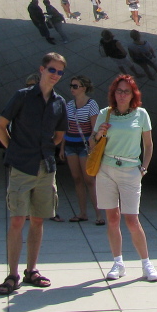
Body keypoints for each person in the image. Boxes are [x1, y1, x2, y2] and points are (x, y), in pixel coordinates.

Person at [0, 52, 68, 295]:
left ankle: (31, 270)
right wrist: (15, 149)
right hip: (22, 167)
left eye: (59, 72)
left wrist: (45, 151)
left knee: (38, 219)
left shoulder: (60, 102)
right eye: (52, 70)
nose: (55, 75)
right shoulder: (22, 97)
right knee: (17, 220)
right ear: (42, 70)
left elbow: (59, 136)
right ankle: (12, 275)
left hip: (46, 168)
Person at [90, 75, 157, 282]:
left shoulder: (141, 114)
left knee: (131, 219)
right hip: (106, 169)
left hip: (130, 170)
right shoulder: (105, 114)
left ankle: (146, 264)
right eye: (118, 91)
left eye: (126, 91)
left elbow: (148, 145)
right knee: (112, 218)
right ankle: (118, 263)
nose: (122, 95)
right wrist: (99, 134)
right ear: (113, 93)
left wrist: (143, 168)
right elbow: (92, 143)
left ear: (133, 95)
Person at [60, 75, 102, 225]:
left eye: (75, 86)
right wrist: (62, 147)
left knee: (89, 180)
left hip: (85, 146)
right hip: (71, 144)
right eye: (71, 86)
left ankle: (99, 214)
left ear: (83, 88)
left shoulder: (92, 105)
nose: (72, 89)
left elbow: (95, 128)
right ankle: (82, 213)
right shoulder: (69, 105)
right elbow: (65, 127)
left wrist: (93, 144)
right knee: (77, 179)